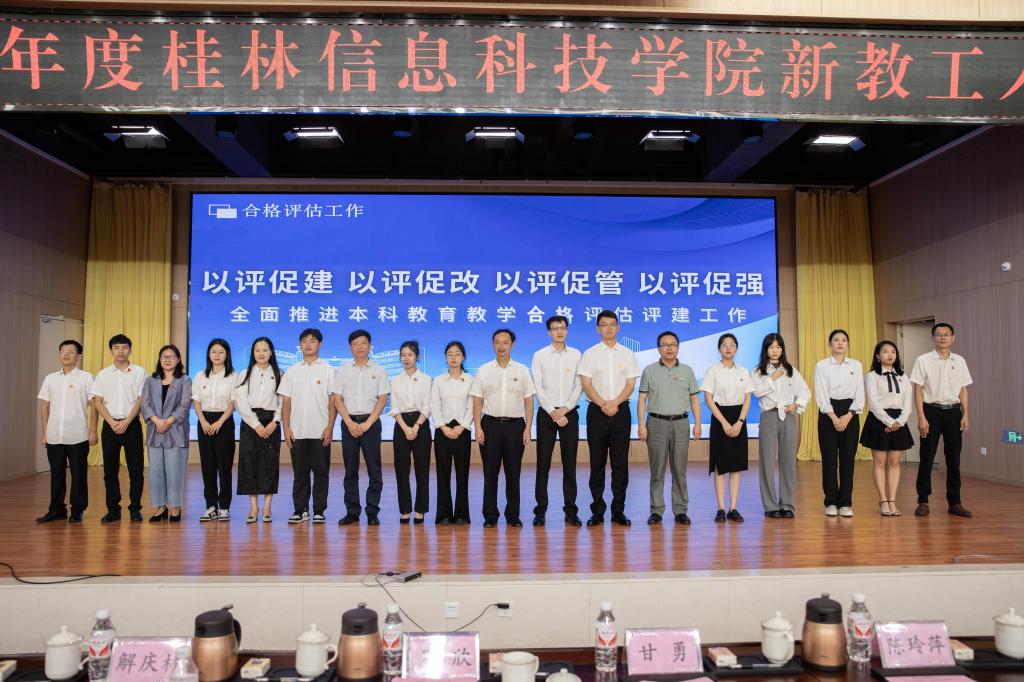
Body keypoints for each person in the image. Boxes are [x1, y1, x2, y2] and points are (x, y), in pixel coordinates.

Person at [578, 310, 641, 527]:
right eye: (604, 324)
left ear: (618, 327)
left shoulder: (628, 354)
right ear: (598, 328)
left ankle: (618, 511)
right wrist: (603, 404)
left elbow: (630, 385)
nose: (609, 328)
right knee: (597, 463)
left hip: (621, 412)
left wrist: (614, 403)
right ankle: (597, 511)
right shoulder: (590, 354)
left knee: (620, 464)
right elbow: (586, 385)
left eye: (612, 324)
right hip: (597, 412)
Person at [471, 328, 536, 528]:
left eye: (505, 342)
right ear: (493, 345)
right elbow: (477, 400)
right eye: (497, 342)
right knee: (490, 473)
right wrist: (478, 427)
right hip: (490, 425)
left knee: (513, 473)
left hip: (515, 426)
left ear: (512, 345)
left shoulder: (522, 370)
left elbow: (529, 401)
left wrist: (528, 428)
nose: (501, 346)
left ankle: (513, 515)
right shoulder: (484, 370)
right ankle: (490, 516)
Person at [637, 331, 702, 526]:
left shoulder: (687, 371)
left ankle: (680, 510)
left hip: (681, 424)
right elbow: (642, 399)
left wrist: (698, 424)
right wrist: (641, 425)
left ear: (678, 347)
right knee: (657, 470)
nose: (669, 348)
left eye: (673, 344)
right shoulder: (649, 370)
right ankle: (656, 511)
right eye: (664, 344)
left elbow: (694, 400)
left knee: (679, 470)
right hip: (656, 423)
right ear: (658, 348)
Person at [910, 323, 973, 518]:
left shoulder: (960, 361)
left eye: (947, 334)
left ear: (953, 338)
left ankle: (955, 502)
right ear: (933, 338)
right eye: (939, 334)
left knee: (954, 458)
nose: (943, 338)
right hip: (931, 411)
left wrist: (966, 414)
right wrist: (921, 417)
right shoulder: (923, 360)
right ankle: (923, 501)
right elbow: (917, 389)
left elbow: (963, 389)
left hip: (954, 412)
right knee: (927, 457)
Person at [278, 328, 336, 524]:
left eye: (312, 341)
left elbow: (333, 402)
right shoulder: (292, 371)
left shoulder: (328, 370)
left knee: (321, 472)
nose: (308, 344)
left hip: (321, 431)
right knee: (299, 473)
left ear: (320, 344)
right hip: (297, 431)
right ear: (300, 345)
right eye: (304, 341)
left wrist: (330, 428)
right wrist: (286, 428)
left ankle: (319, 510)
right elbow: (286, 403)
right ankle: (300, 510)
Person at [530, 315, 583, 527]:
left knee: (570, 464)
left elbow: (580, 385)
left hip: (569, 413)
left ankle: (571, 511)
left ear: (567, 330)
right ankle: (540, 511)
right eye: (555, 328)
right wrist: (553, 412)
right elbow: (537, 386)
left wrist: (565, 409)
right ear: (549, 332)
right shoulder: (540, 355)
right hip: (547, 414)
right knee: (543, 464)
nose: (559, 331)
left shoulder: (576, 355)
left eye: (562, 327)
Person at [36, 340, 97, 523]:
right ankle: (56, 510)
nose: (66, 354)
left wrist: (93, 431)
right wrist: (45, 433)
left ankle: (77, 510)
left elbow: (95, 406)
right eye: (63, 351)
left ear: (78, 356)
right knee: (56, 474)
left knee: (78, 474)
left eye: (71, 351)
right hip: (54, 435)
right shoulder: (50, 378)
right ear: (59, 354)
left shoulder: (86, 378)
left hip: (78, 435)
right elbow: (44, 407)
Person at [751, 333, 811, 519]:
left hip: (788, 416)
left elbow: (805, 392)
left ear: (782, 349)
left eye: (778, 347)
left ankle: (787, 505)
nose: (775, 350)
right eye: (771, 347)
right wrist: (773, 377)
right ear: (765, 349)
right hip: (768, 416)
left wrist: (797, 405)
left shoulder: (791, 370)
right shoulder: (758, 371)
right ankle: (770, 505)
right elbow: (757, 392)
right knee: (767, 462)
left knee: (788, 462)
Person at [333, 329, 389, 526]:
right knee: (350, 470)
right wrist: (349, 422)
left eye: (363, 343)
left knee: (375, 469)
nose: (359, 347)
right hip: (348, 423)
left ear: (370, 346)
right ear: (350, 347)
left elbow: (382, 400)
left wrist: (367, 423)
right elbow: (337, 399)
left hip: (371, 423)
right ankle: (352, 512)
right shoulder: (342, 370)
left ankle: (372, 511)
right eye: (355, 343)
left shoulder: (379, 370)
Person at [90, 333, 147, 523]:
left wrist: (126, 422)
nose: (120, 351)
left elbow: (141, 399)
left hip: (132, 426)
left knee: (136, 471)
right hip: (110, 426)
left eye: (124, 347)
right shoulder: (103, 374)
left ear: (130, 350)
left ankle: (135, 509)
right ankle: (113, 510)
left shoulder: (139, 372)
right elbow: (97, 401)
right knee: (110, 471)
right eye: (116, 348)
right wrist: (111, 421)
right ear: (111, 351)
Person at [813, 329, 865, 518]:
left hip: (850, 413)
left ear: (848, 344)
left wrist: (849, 415)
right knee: (829, 460)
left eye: (844, 340)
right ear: (830, 344)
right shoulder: (821, 365)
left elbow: (860, 394)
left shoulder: (856, 365)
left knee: (847, 460)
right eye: (836, 340)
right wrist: (834, 418)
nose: (840, 343)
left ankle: (845, 503)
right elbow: (821, 394)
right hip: (828, 413)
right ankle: (831, 502)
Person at [701, 333, 753, 523]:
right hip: (719, 418)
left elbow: (747, 399)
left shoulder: (744, 371)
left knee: (736, 466)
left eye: (732, 344)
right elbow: (708, 399)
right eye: (724, 344)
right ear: (719, 348)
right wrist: (723, 422)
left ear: (737, 348)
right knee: (720, 466)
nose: (728, 348)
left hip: (739, 418)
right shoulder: (712, 371)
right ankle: (721, 508)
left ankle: (733, 508)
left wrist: (740, 422)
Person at [861, 340, 914, 517]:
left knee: (894, 462)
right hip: (879, 420)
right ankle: (883, 500)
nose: (890, 355)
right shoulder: (872, 376)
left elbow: (908, 403)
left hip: (899, 421)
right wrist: (889, 422)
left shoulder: (904, 377)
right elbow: (873, 403)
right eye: (885, 351)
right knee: (879, 462)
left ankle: (892, 500)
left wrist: (899, 421)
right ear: (878, 356)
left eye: (893, 352)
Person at [141, 344, 191, 523]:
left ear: (178, 360)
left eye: (172, 356)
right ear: (159, 359)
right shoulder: (150, 380)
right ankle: (160, 507)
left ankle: (175, 508)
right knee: (155, 472)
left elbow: (184, 405)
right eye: (164, 356)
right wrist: (156, 421)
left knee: (174, 471)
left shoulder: (184, 380)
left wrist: (167, 421)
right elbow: (145, 403)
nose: (168, 360)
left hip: (176, 431)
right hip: (155, 431)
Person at [235, 337, 283, 523]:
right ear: (253, 353)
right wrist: (255, 424)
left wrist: (275, 422)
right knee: (249, 464)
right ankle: (253, 507)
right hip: (250, 424)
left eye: (265, 350)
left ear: (271, 352)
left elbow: (284, 402)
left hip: (272, 423)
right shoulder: (244, 374)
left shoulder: (280, 374)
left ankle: (267, 506)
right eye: (257, 350)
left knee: (270, 464)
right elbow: (240, 402)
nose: (261, 353)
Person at [192, 338, 237, 522]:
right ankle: (211, 506)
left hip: (224, 422)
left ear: (226, 355)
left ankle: (224, 507)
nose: (217, 355)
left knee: (224, 467)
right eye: (214, 352)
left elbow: (233, 402)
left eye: (221, 352)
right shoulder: (200, 375)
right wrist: (202, 420)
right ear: (208, 354)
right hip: (204, 422)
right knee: (207, 466)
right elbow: (196, 400)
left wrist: (220, 422)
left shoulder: (233, 376)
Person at [430, 341, 474, 526]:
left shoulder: (471, 380)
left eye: (457, 354)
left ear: (463, 357)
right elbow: (434, 404)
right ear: (446, 357)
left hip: (462, 430)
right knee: (443, 473)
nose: (453, 357)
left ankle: (462, 513)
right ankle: (444, 514)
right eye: (450, 354)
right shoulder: (438, 380)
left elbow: (473, 405)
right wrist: (443, 426)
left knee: (463, 473)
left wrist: (462, 426)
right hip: (443, 430)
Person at [389, 340, 432, 524]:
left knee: (422, 470)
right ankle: (405, 509)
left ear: (417, 357)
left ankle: (420, 510)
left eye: (410, 355)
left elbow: (428, 405)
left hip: (421, 424)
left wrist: (415, 427)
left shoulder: (427, 379)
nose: (406, 358)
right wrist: (406, 427)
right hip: (401, 425)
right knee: (401, 470)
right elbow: (394, 407)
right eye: (403, 355)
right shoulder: (395, 380)